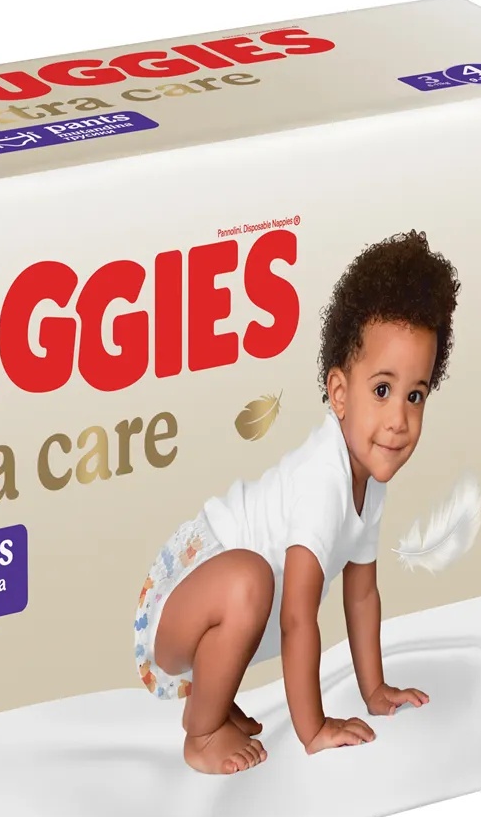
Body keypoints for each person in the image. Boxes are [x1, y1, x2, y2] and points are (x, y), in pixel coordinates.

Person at [132, 230, 461, 774]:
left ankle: (213, 699)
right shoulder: (322, 480)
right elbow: (297, 617)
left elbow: (361, 596)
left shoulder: (369, 481)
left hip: (217, 611)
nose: (399, 419)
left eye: (415, 395)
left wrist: (374, 690)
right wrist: (313, 728)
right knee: (253, 580)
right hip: (177, 606)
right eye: (382, 390)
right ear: (339, 394)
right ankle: (201, 733)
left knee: (256, 583)